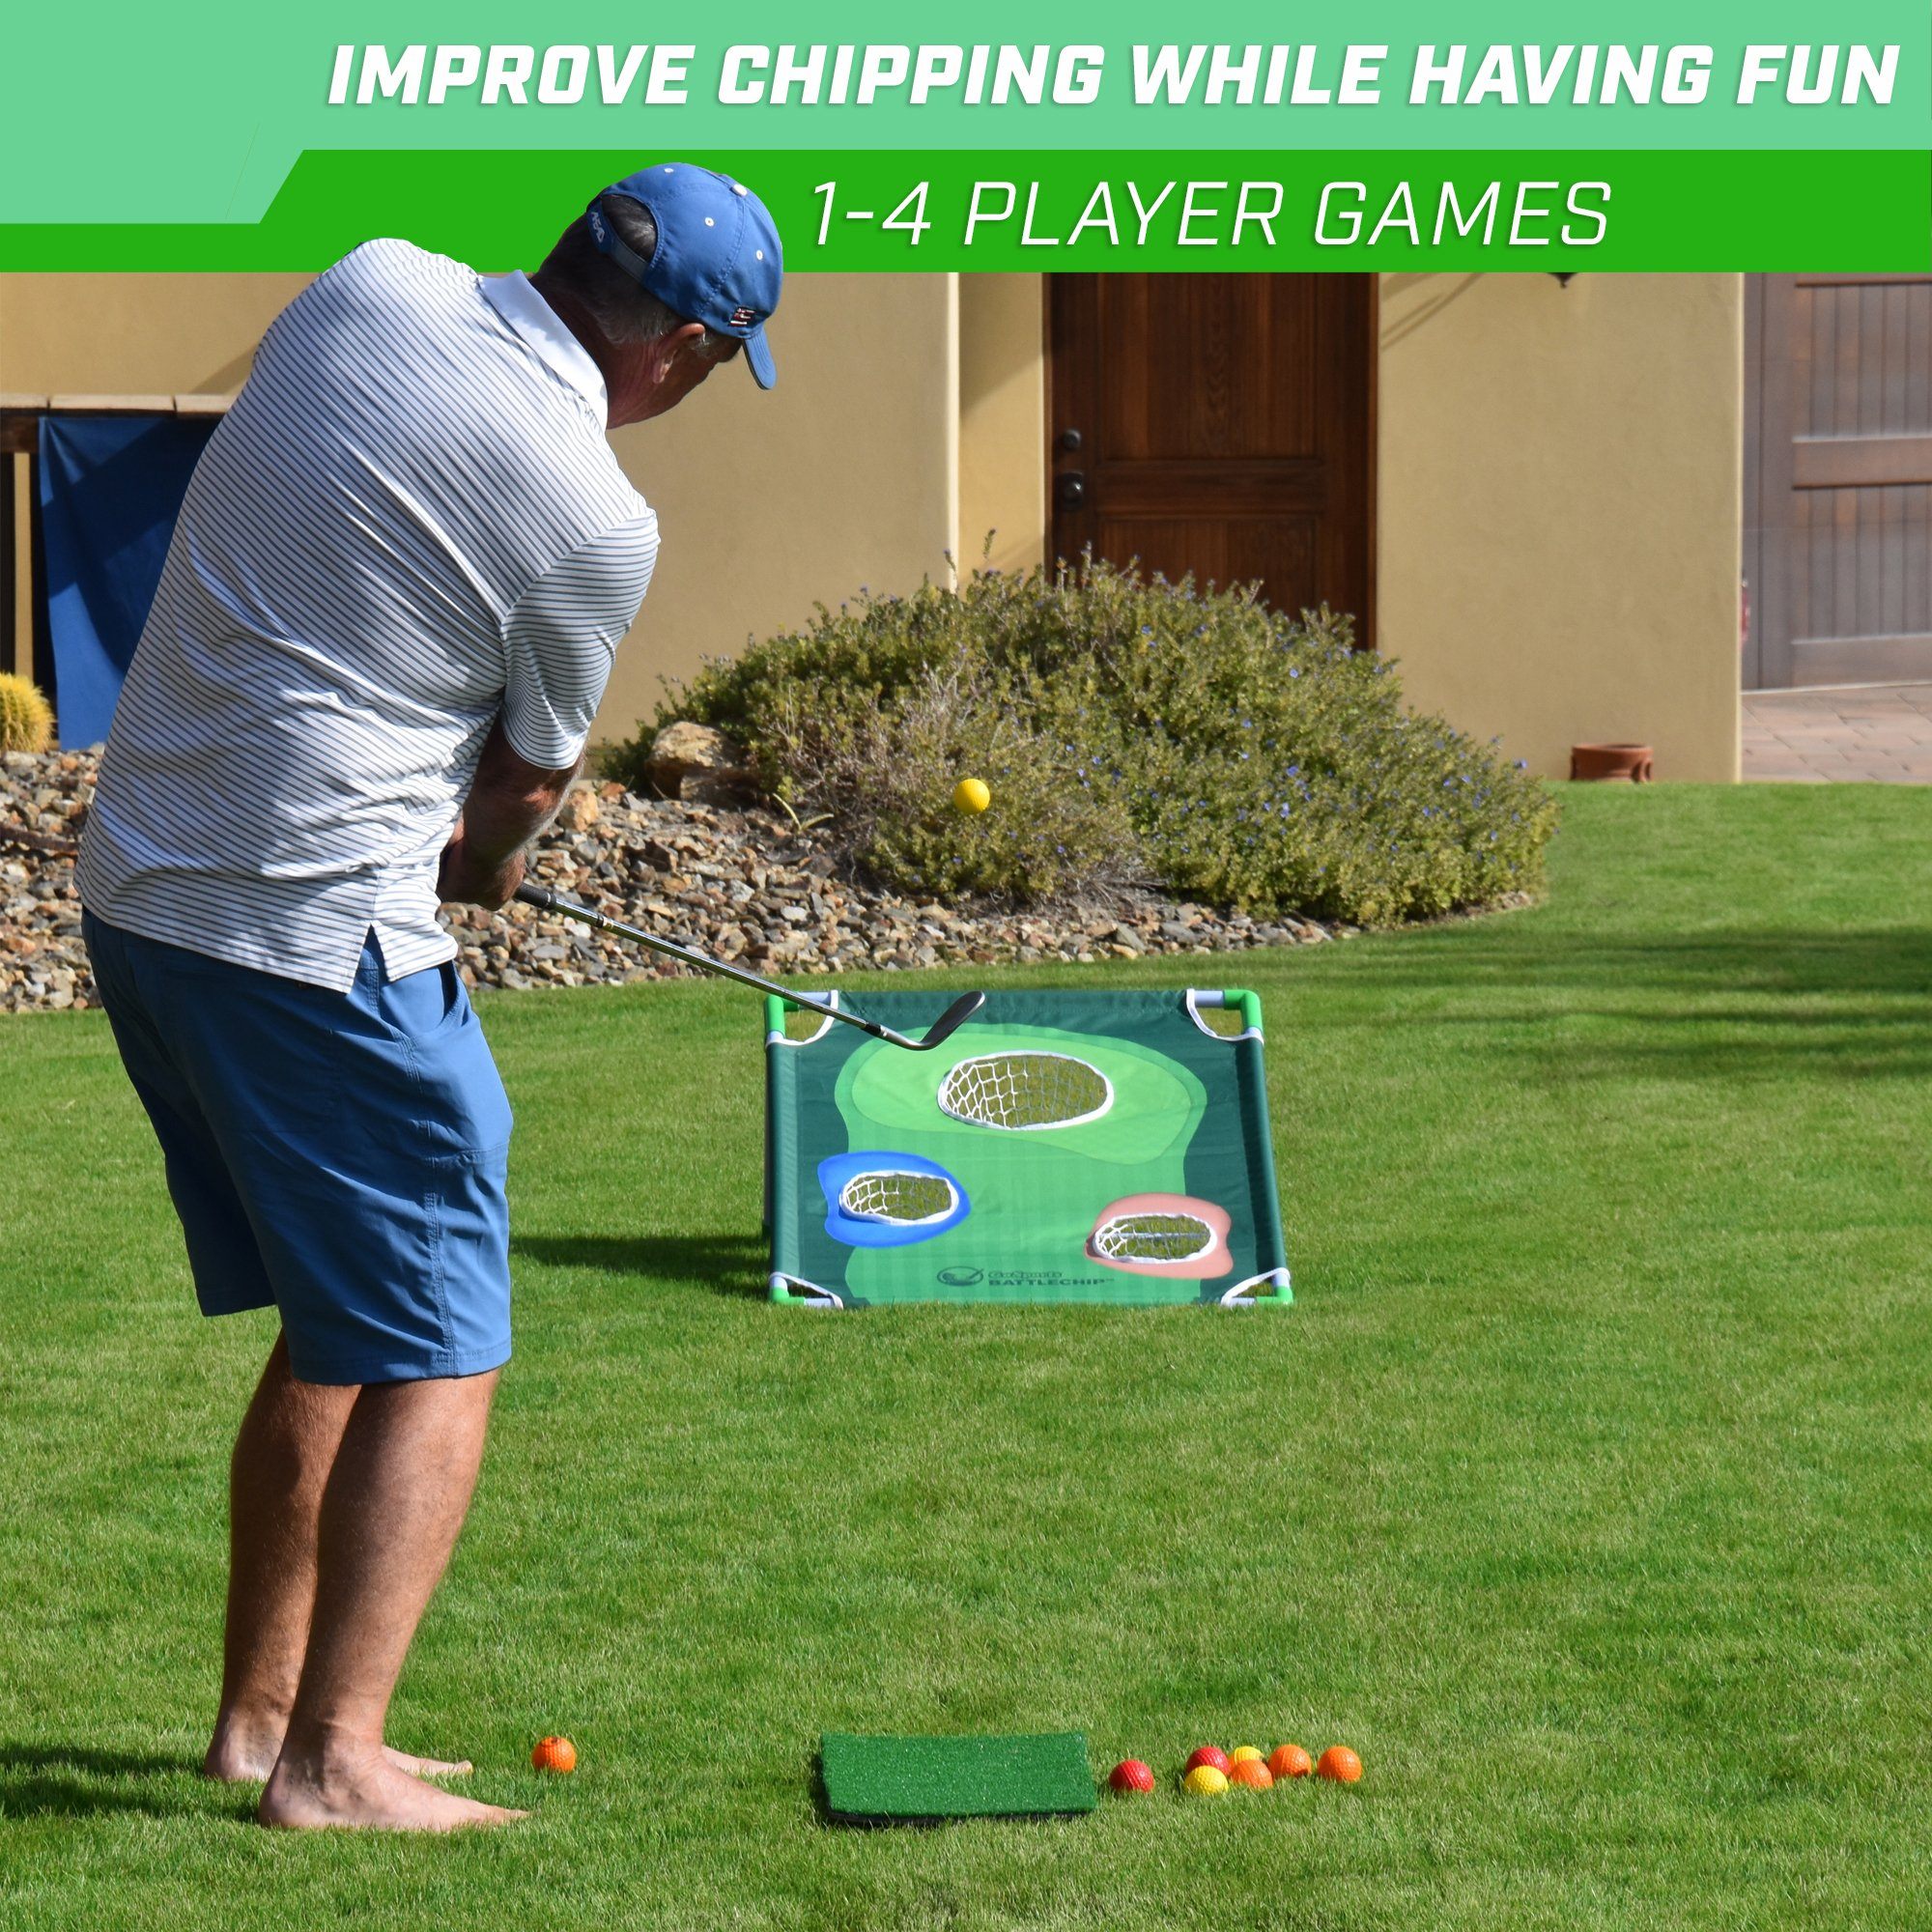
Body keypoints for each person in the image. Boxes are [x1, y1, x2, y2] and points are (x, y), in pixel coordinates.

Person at [76, 163, 782, 1833]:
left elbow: (320, 504)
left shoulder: (367, 279)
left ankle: (263, 1723)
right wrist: (490, 872)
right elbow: (524, 793)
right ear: (683, 348)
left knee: (347, 1319)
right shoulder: (599, 515)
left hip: (144, 893)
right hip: (313, 937)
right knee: (443, 1343)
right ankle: (335, 1767)